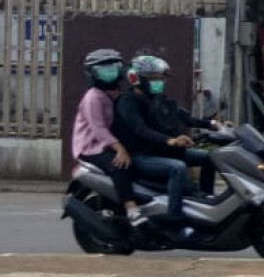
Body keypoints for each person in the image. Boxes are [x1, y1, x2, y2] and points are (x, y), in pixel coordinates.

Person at [112, 55, 212, 231]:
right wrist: (171, 140)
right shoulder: (127, 102)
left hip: (158, 151)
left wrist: (213, 124)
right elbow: (140, 130)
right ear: (136, 78)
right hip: (139, 156)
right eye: (154, 79)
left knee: (209, 158)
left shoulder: (157, 100)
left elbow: (183, 117)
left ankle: (205, 199)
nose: (160, 83)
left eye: (162, 79)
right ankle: (175, 220)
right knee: (177, 168)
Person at [71, 48, 143, 225]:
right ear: (92, 73)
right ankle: (131, 209)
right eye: (103, 69)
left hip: (105, 143)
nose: (110, 72)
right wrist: (119, 149)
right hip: (91, 147)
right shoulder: (93, 97)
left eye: (113, 67)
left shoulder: (110, 94)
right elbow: (98, 129)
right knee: (119, 166)